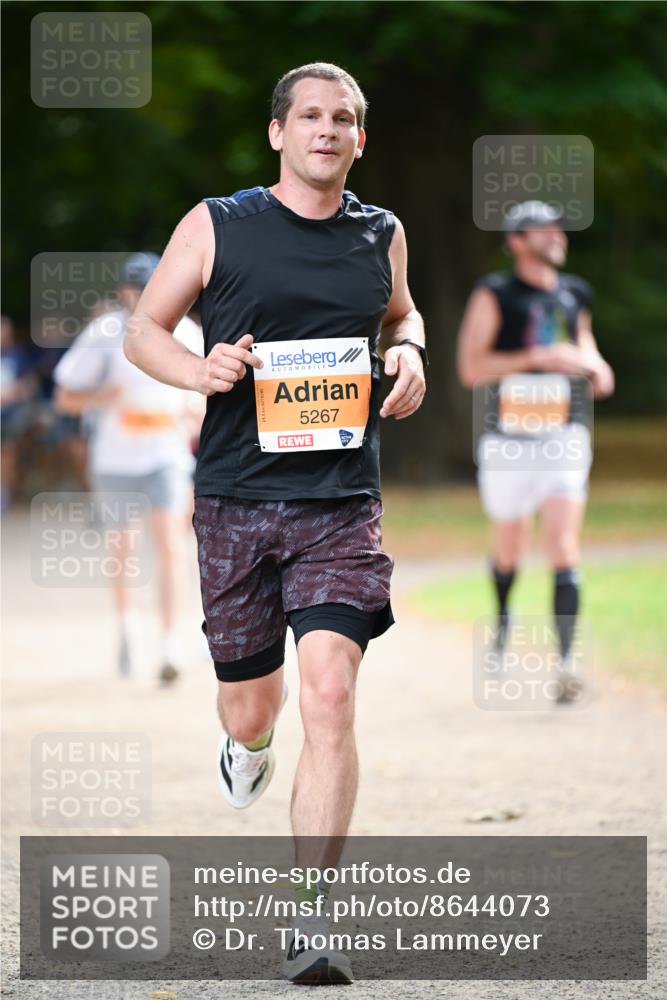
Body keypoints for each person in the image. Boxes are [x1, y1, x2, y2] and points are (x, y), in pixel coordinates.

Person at [123, 62, 426, 983]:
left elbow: (402, 316)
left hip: (340, 506)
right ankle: (246, 743)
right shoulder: (218, 224)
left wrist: (408, 353)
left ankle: (311, 921)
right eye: (309, 116)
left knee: (330, 693)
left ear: (359, 139)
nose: (326, 129)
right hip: (235, 502)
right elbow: (144, 329)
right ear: (278, 133)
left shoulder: (382, 234)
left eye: (343, 118)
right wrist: (198, 371)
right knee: (254, 703)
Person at [457, 201, 614, 702]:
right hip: (509, 441)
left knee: (564, 546)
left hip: (565, 438)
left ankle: (566, 663)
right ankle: (503, 625)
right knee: (510, 546)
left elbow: (592, 355)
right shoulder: (495, 293)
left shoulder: (576, 292)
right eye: (543, 229)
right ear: (517, 241)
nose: (557, 235)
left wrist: (596, 368)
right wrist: (538, 357)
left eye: (559, 227)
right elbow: (471, 368)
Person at [54, 253, 204, 684]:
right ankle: (127, 628)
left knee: (172, 546)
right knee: (123, 548)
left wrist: (196, 405)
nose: (137, 297)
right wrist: (104, 396)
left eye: (147, 288)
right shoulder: (104, 334)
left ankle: (171, 640)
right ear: (121, 292)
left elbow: (208, 389)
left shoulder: (187, 331)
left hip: (166, 456)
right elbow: (65, 397)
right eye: (131, 290)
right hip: (115, 461)